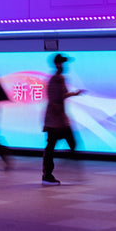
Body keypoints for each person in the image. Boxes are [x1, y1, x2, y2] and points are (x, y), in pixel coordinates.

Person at [41, 53, 83, 185]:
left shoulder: (60, 78)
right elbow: (54, 101)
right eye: (64, 63)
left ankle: (50, 173)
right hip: (55, 121)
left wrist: (74, 94)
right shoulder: (55, 79)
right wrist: (62, 117)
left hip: (58, 120)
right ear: (58, 64)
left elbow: (61, 95)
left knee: (62, 144)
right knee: (52, 147)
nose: (65, 66)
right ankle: (48, 174)